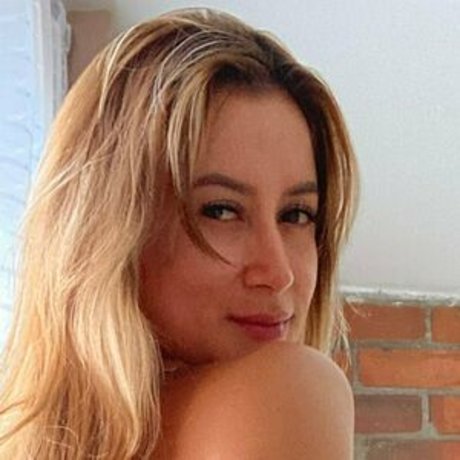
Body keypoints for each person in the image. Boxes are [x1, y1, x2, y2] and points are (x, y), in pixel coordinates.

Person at [0, 7, 358, 459]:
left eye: (296, 215)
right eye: (220, 211)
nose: (278, 271)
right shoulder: (285, 391)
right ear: (112, 232)